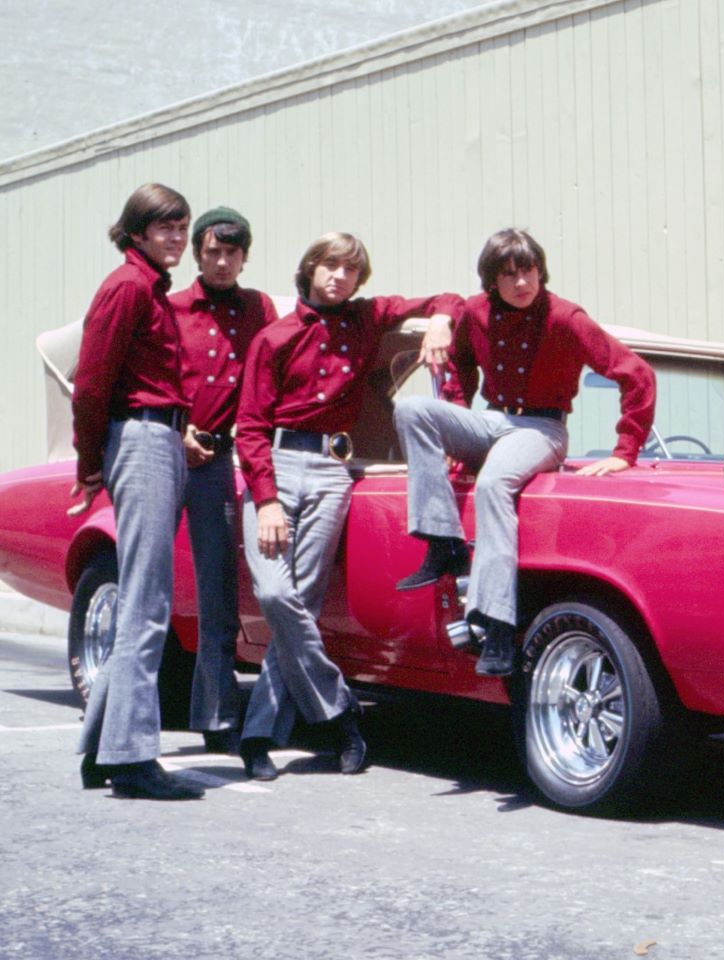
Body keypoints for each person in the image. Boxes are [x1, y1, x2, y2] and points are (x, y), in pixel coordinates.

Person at [235, 231, 462, 781]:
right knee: (275, 593)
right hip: (275, 468)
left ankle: (258, 735)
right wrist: (265, 500)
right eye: (330, 266)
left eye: (350, 270)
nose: (339, 277)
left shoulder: (366, 319)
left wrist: (440, 321)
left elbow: (450, 298)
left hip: (334, 471)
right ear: (310, 268)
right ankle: (341, 713)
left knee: (301, 607)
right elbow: (249, 427)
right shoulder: (276, 337)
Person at [393, 228, 656, 676]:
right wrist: (458, 417)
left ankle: (496, 623)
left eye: (528, 270)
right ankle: (443, 543)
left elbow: (638, 373)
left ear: (541, 271)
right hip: (491, 420)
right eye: (509, 274)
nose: (521, 283)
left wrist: (625, 451)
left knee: (494, 483)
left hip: (542, 427)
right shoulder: (476, 313)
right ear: (492, 280)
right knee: (414, 409)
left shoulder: (566, 318)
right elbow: (458, 364)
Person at [72, 183, 205, 800]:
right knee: (147, 602)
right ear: (137, 232)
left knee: (140, 600)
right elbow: (92, 381)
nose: (177, 238)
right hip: (143, 440)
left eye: (182, 227)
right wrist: (88, 463)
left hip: (164, 439)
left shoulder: (149, 287)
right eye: (165, 228)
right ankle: (132, 758)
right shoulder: (128, 286)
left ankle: (103, 749)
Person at [170, 207, 280, 754]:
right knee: (142, 592)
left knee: (218, 589)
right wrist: (177, 430)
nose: (220, 261)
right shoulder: (168, 309)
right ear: (197, 254)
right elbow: (142, 377)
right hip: (170, 452)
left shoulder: (260, 309)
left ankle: (215, 717)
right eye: (211, 252)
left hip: (222, 459)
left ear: (244, 256)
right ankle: (106, 733)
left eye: (231, 253)